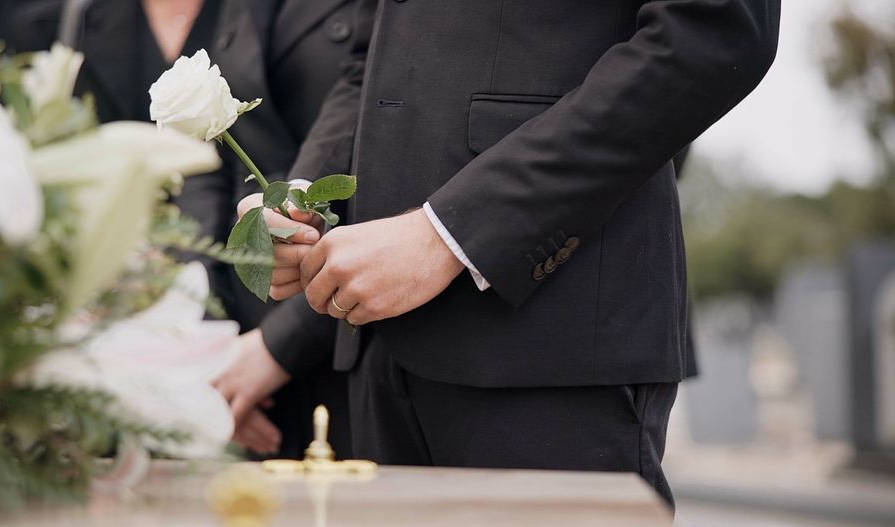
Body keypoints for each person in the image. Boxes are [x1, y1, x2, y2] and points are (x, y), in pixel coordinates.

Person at [243, 0, 780, 507]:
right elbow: (367, 57)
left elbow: (711, 30)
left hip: (546, 338)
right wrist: (301, 196)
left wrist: (450, 234)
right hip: (378, 353)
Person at [7, 0, 357, 460]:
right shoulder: (74, 21)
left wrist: (277, 347)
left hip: (337, 315)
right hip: (207, 329)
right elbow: (208, 171)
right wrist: (205, 354)